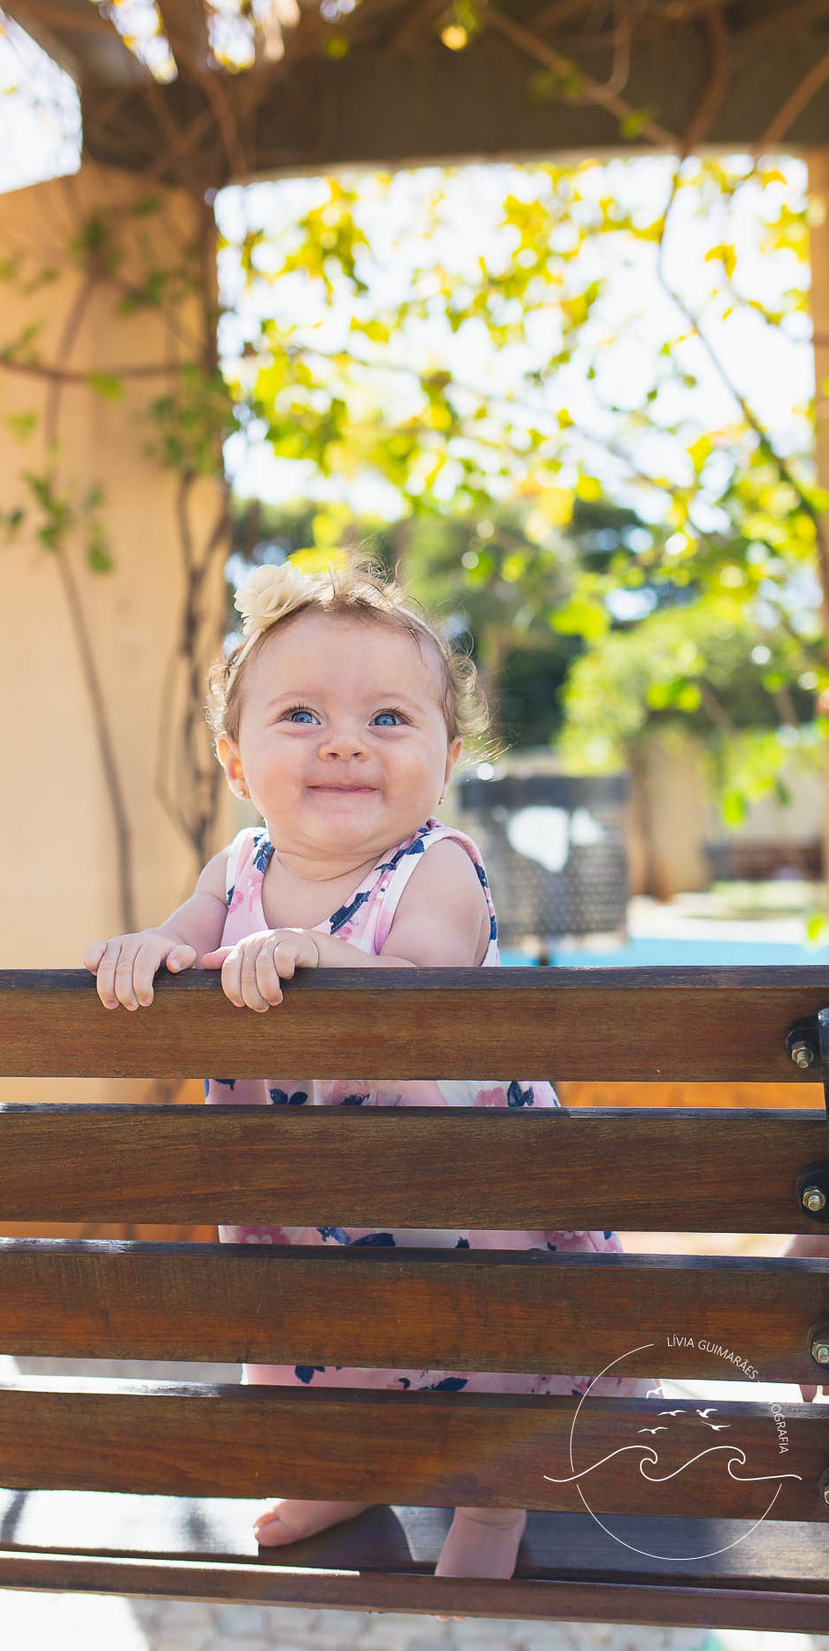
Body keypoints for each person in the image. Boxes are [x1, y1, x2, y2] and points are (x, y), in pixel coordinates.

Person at [83, 557, 641, 1583]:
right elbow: (174, 942)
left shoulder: (438, 867)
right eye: (301, 714)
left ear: (448, 758)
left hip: (453, 1182)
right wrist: (145, 952)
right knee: (315, 1333)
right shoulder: (234, 872)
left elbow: (426, 988)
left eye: (389, 719)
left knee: (476, 1330)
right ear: (236, 762)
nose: (345, 739)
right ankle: (344, 1468)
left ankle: (491, 1501)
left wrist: (341, 963)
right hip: (308, 1192)